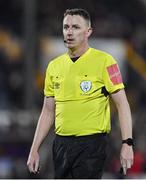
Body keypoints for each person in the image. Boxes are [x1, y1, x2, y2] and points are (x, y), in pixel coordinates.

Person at [27, 8, 134, 179]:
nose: (69, 32)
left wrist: (127, 143)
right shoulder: (54, 66)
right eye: (66, 27)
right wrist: (34, 149)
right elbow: (48, 110)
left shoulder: (105, 61)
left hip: (91, 145)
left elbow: (122, 104)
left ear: (88, 32)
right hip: (61, 144)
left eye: (76, 27)